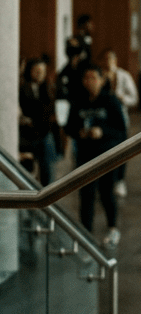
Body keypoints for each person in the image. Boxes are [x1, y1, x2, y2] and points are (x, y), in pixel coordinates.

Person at [66, 64, 128, 248]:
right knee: (86, 195)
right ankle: (86, 233)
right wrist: (80, 133)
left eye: (94, 78)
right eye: (86, 78)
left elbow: (121, 130)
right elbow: (69, 127)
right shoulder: (78, 101)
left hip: (106, 155)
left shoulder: (110, 100)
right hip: (85, 154)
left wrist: (102, 132)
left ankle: (112, 228)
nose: (90, 82)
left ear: (102, 80)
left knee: (107, 193)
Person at [101, 50, 138, 198]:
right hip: (103, 118)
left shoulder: (123, 76)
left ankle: (120, 180)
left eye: (111, 58)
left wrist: (122, 98)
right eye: (105, 59)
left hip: (119, 117)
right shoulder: (99, 75)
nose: (108, 62)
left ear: (115, 60)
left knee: (121, 150)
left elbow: (134, 98)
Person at [18, 58, 58, 186]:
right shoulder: (23, 88)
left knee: (48, 171)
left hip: (45, 132)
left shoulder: (50, 87)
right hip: (28, 135)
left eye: (43, 71)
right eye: (37, 71)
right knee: (26, 173)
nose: (40, 73)